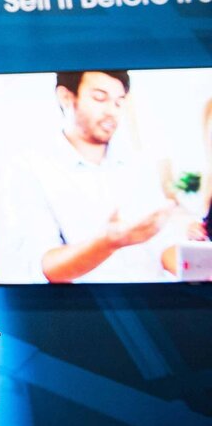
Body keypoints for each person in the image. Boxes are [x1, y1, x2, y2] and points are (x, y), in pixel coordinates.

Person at [11, 70, 180, 283]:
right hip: (84, 308)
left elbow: (165, 245)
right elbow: (45, 267)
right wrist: (108, 242)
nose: (112, 111)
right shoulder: (29, 168)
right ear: (65, 97)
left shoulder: (139, 163)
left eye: (119, 102)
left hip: (161, 303)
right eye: (100, 98)